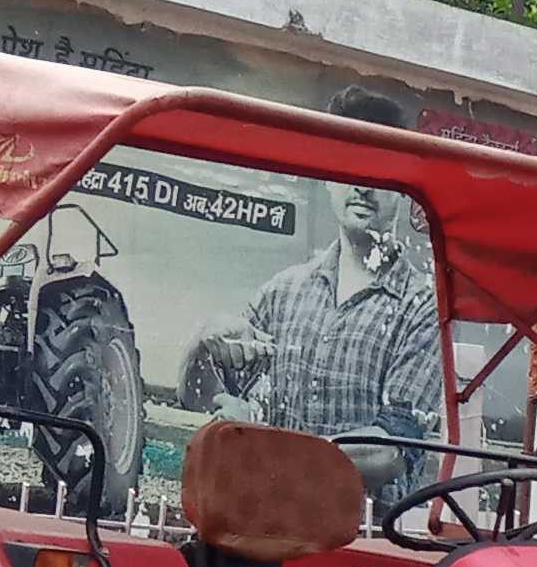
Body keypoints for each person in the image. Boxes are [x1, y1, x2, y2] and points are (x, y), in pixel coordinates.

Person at [187, 181, 442, 503]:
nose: (363, 190)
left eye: (380, 179)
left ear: (404, 191)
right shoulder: (282, 292)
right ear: (329, 182)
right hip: (263, 526)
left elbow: (393, 450)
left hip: (360, 540)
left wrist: (259, 446)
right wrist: (204, 341)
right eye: (350, 174)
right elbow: (197, 398)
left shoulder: (422, 306)